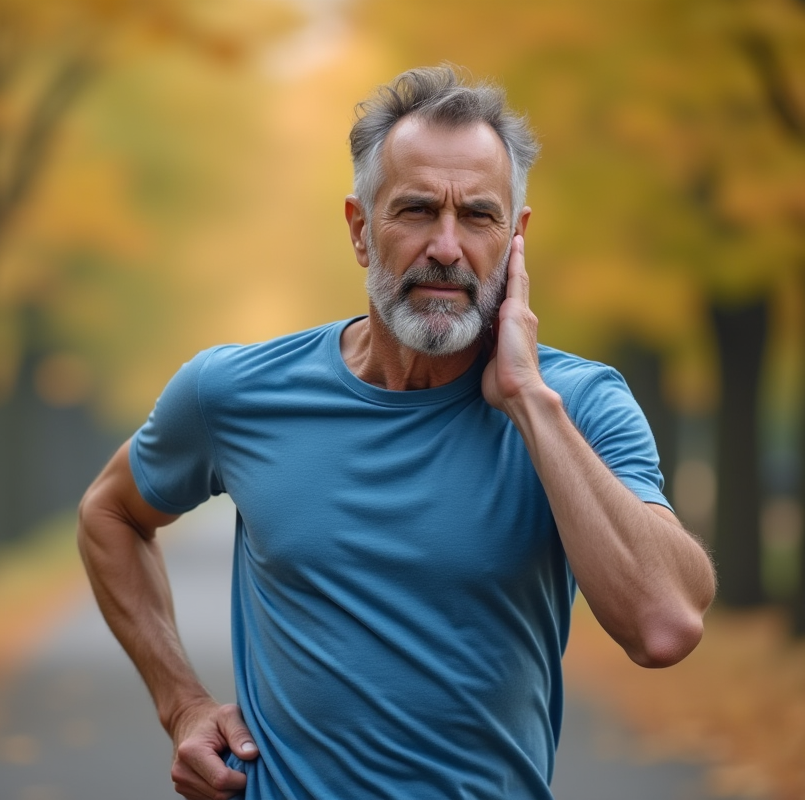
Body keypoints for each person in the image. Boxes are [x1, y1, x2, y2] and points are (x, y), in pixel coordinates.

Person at [78, 65, 716, 800]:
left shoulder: (579, 405)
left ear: (516, 238)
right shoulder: (235, 391)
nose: (446, 247)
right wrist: (181, 702)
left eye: (478, 216)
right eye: (416, 211)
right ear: (359, 229)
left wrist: (528, 401)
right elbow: (111, 513)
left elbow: (665, 625)